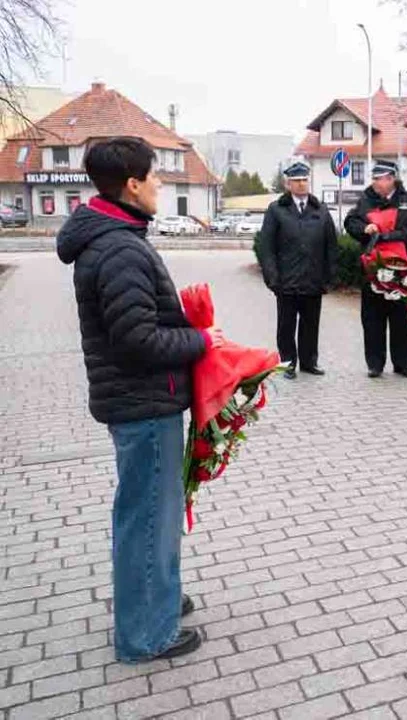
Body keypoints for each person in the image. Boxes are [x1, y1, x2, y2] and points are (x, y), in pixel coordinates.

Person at [56, 138, 223, 662]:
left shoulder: (115, 237)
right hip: (144, 404)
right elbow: (137, 340)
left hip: (143, 400)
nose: (159, 186)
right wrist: (202, 341)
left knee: (155, 513)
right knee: (147, 517)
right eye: (154, 177)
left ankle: (158, 600)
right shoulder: (120, 248)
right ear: (131, 183)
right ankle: (146, 635)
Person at [345, 159, 407, 378]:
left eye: (378, 179)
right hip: (372, 269)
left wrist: (390, 236)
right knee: (372, 318)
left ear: (391, 179)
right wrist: (365, 228)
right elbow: (350, 222)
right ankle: (375, 363)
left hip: (401, 270)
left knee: (401, 317)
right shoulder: (365, 201)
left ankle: (403, 364)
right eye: (373, 178)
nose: (374, 182)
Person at [258, 159, 338, 380]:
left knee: (311, 324)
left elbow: (331, 244)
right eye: (297, 181)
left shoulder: (320, 210)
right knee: (286, 325)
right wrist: (272, 277)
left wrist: (329, 276)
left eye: (304, 180)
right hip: (286, 280)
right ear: (288, 184)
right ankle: (287, 363)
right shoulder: (277, 210)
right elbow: (267, 246)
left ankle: (309, 362)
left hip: (313, 279)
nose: (302, 184)